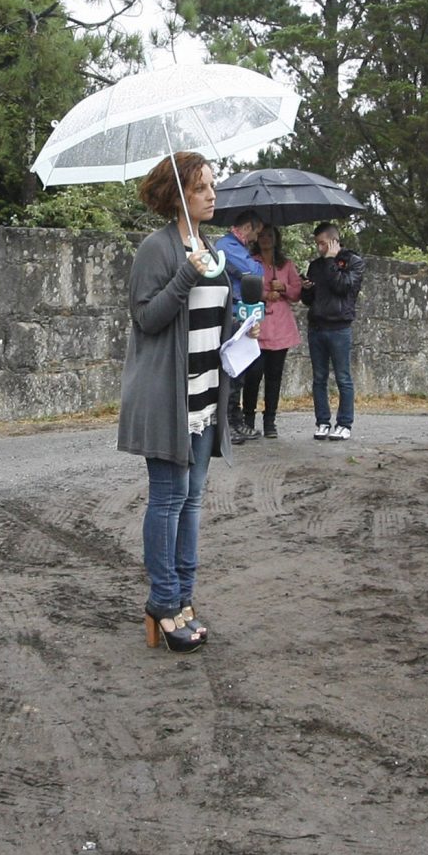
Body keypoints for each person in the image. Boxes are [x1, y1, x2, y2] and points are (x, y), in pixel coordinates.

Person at [118, 151, 238, 655]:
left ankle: (185, 597)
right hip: (170, 398)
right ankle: (163, 604)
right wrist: (186, 275)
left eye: (213, 185)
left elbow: (207, 318)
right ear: (178, 195)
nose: (213, 194)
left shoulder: (209, 247)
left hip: (206, 393)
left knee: (191, 503)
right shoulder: (158, 249)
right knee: (168, 502)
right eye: (202, 187)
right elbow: (146, 318)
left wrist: (242, 321)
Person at [302, 222, 364, 442]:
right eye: (317, 244)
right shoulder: (315, 265)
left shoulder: (353, 262)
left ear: (333, 241)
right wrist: (306, 289)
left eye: (322, 243)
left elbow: (343, 287)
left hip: (339, 328)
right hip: (317, 327)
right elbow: (310, 300)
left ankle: (344, 423)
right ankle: (323, 422)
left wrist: (331, 261)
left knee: (343, 377)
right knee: (319, 378)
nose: (319, 248)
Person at [240, 222, 302, 440]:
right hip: (257, 327)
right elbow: (244, 287)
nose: (265, 238)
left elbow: (297, 292)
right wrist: (265, 295)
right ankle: (248, 419)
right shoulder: (251, 262)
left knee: (274, 377)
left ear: (276, 239)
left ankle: (270, 421)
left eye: (270, 235)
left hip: (281, 329)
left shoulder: (286, 265)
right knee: (253, 375)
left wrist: (283, 288)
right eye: (262, 235)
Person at [214, 209, 266, 441]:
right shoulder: (226, 246)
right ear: (247, 228)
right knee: (231, 372)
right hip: (231, 316)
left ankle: (235, 420)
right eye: (256, 233)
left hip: (241, 315)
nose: (256, 239)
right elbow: (253, 273)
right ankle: (227, 424)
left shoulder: (238, 248)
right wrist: (255, 267)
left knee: (240, 372)